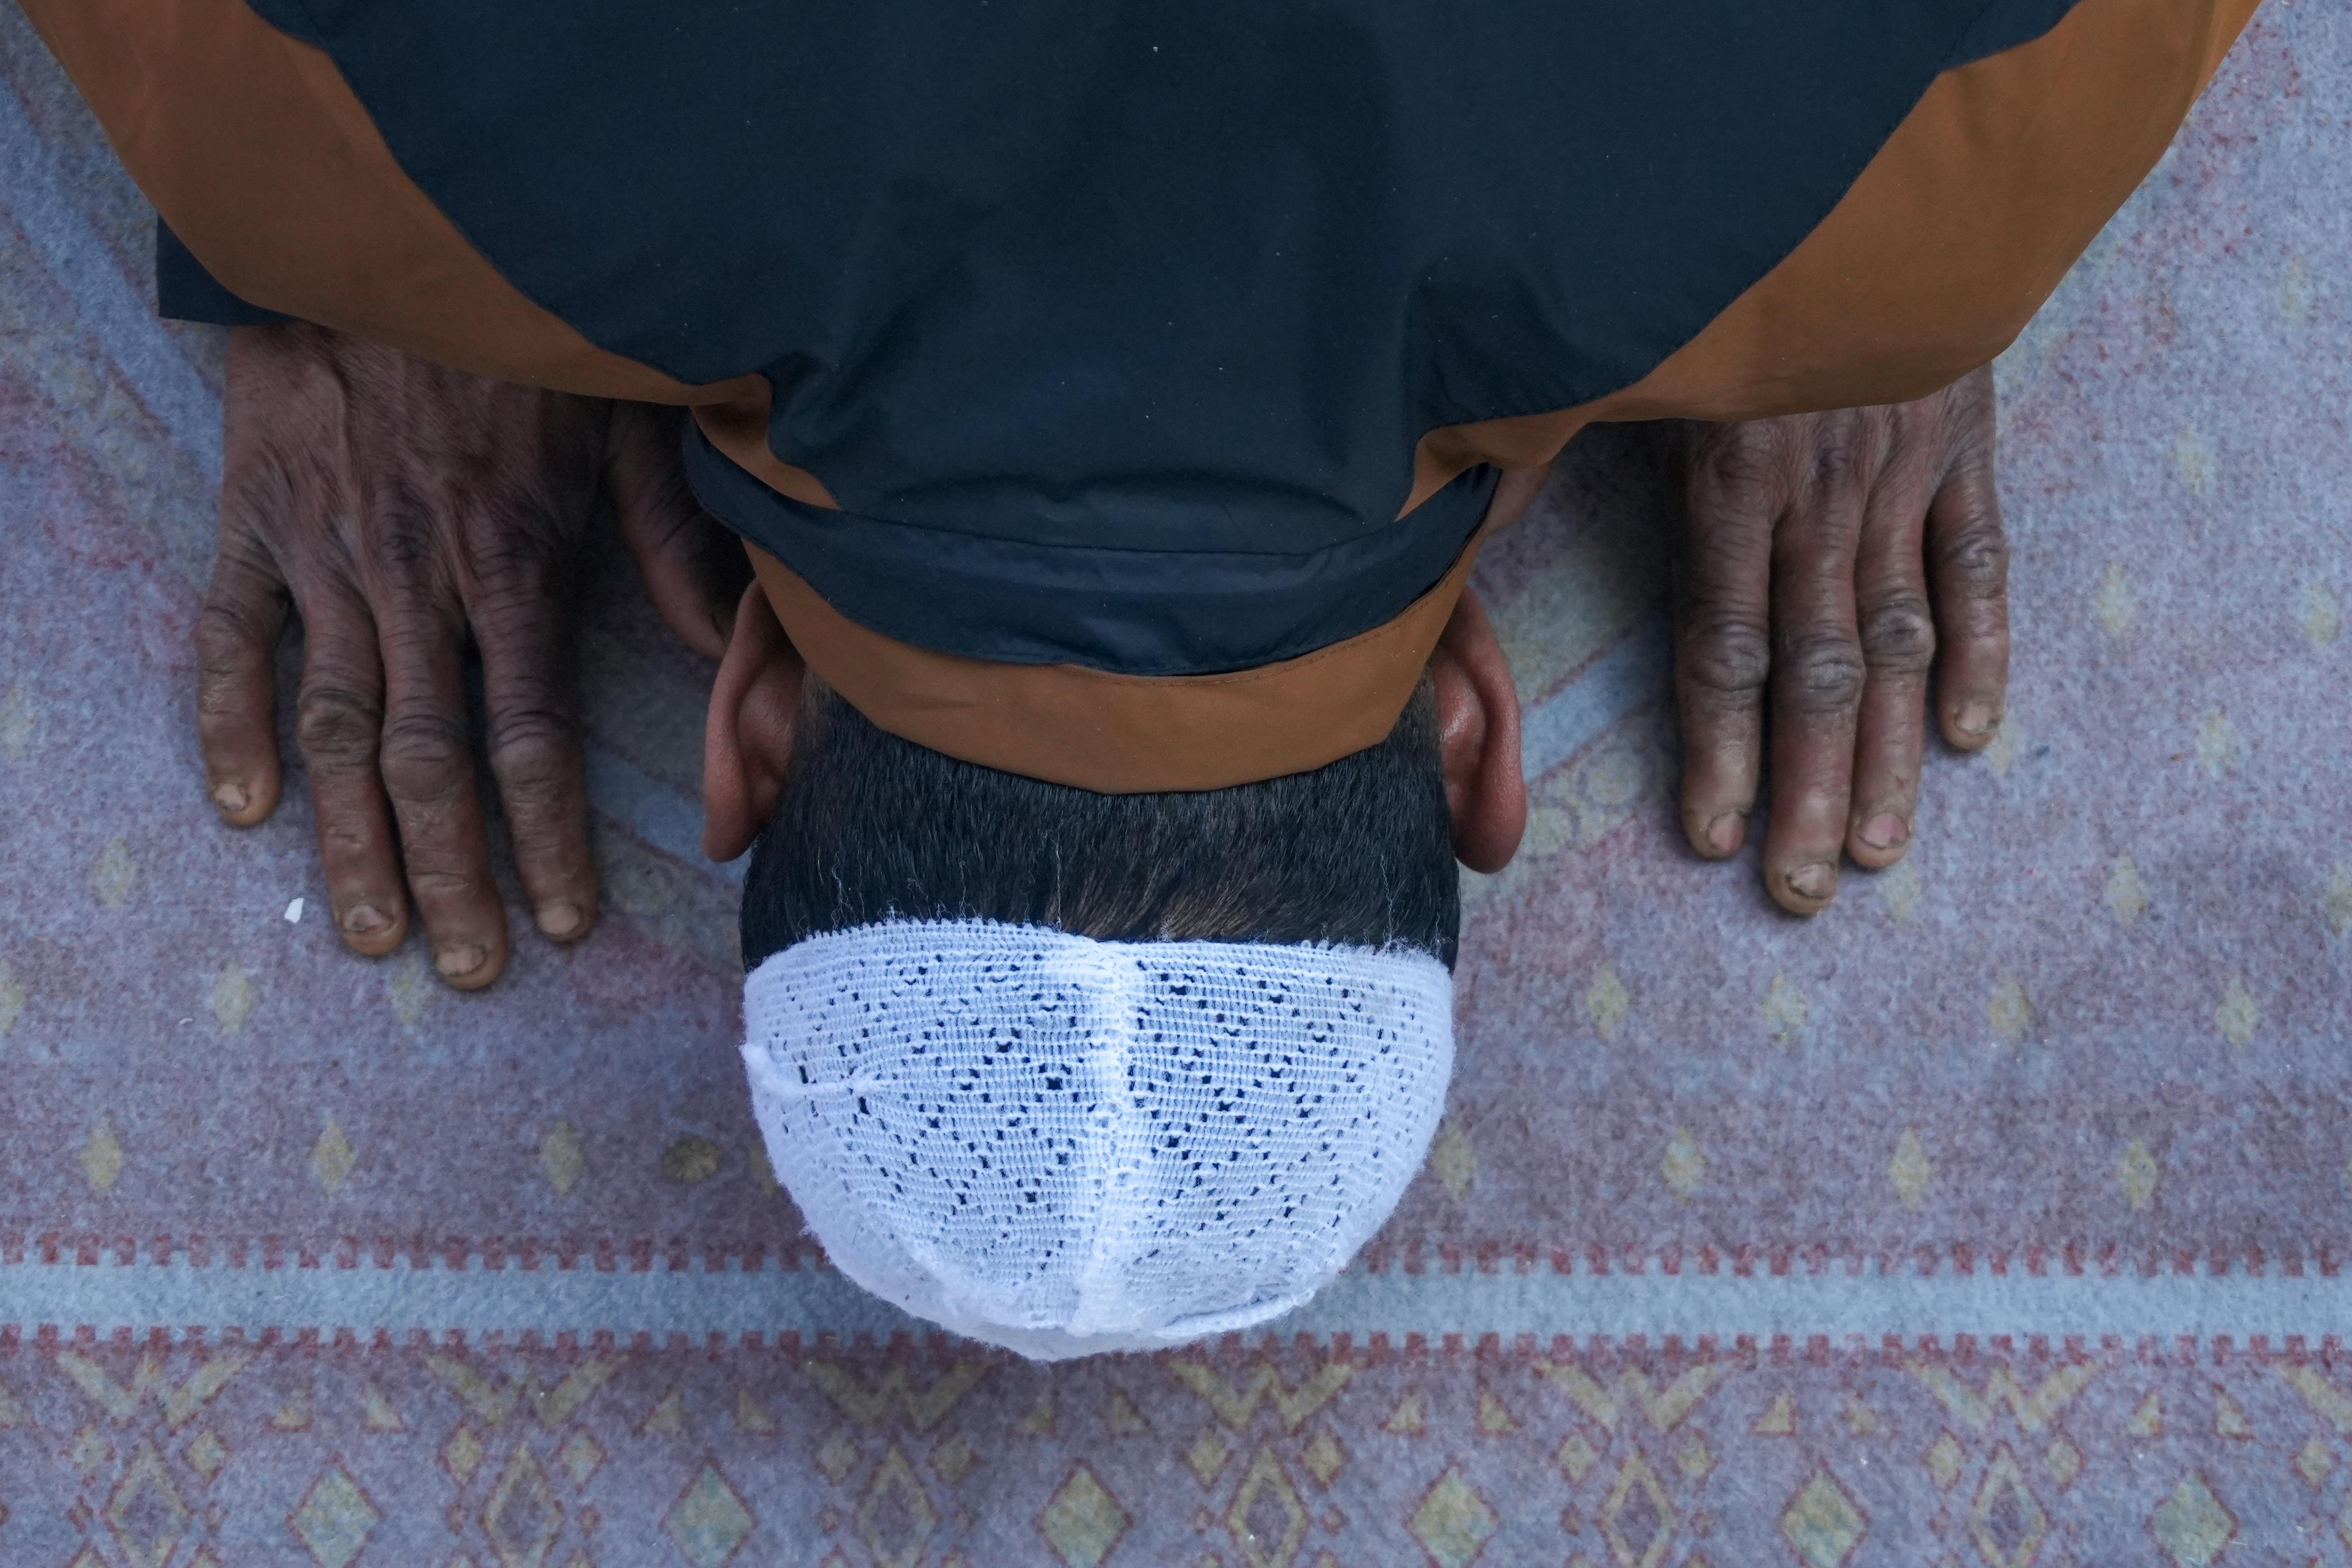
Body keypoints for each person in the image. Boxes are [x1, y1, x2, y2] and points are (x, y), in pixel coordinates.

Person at [24, 0, 2255, 1353]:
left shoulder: (1958, 153)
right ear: (747, 735)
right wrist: (348, 243)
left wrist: (1876, 249)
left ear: (1473, 740)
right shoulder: (322, 115)